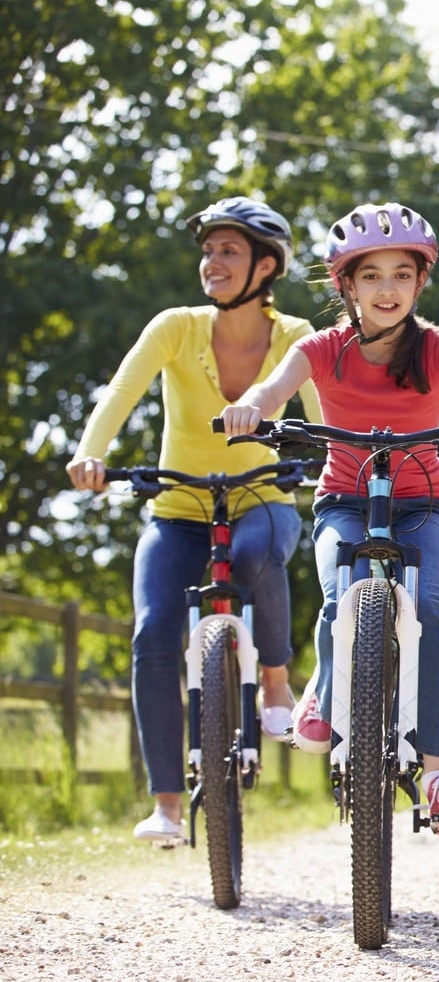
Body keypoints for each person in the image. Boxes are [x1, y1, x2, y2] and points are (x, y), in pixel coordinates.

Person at [220, 201, 439, 823]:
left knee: (427, 610)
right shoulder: (320, 349)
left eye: (401, 274)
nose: (387, 288)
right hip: (344, 499)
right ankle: (327, 689)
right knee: (342, 592)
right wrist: (251, 407)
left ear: (421, 282)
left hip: (423, 506)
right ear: (346, 285)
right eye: (371, 275)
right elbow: (272, 388)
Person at [66, 196, 321, 843]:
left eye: (228, 250)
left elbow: (324, 423)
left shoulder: (294, 338)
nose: (212, 261)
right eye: (207, 250)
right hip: (178, 508)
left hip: (261, 497)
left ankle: (273, 682)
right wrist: (91, 454)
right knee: (153, 632)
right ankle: (167, 806)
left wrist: (330, 465)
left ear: (266, 265)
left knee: (260, 554)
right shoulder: (175, 327)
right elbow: (122, 391)